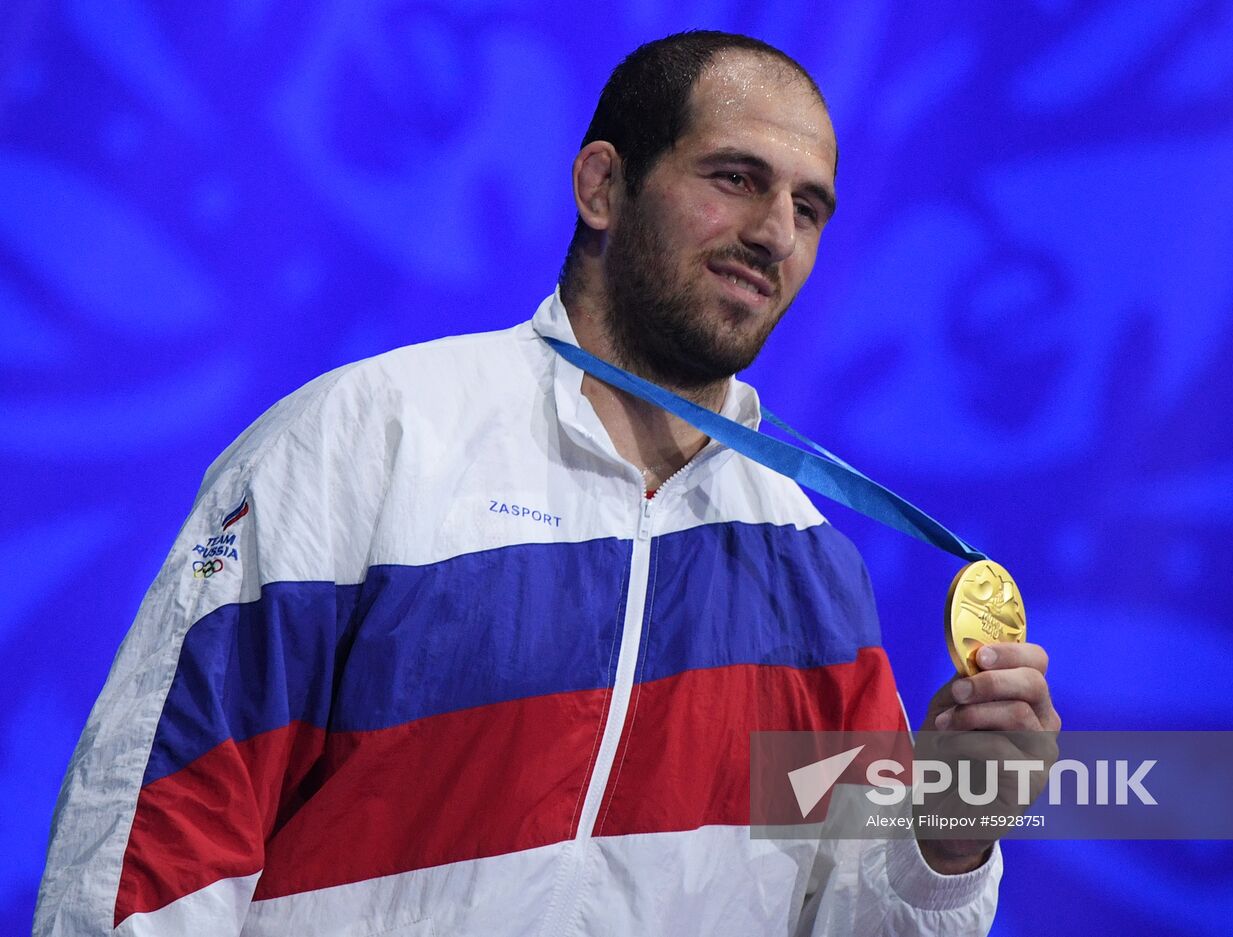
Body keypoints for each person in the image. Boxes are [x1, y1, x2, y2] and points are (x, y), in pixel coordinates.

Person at [35, 30, 1057, 937]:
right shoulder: (368, 438)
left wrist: (949, 835)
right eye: (736, 178)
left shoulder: (816, 581)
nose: (775, 234)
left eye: (808, 206)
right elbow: (159, 837)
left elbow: (849, 921)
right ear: (601, 186)